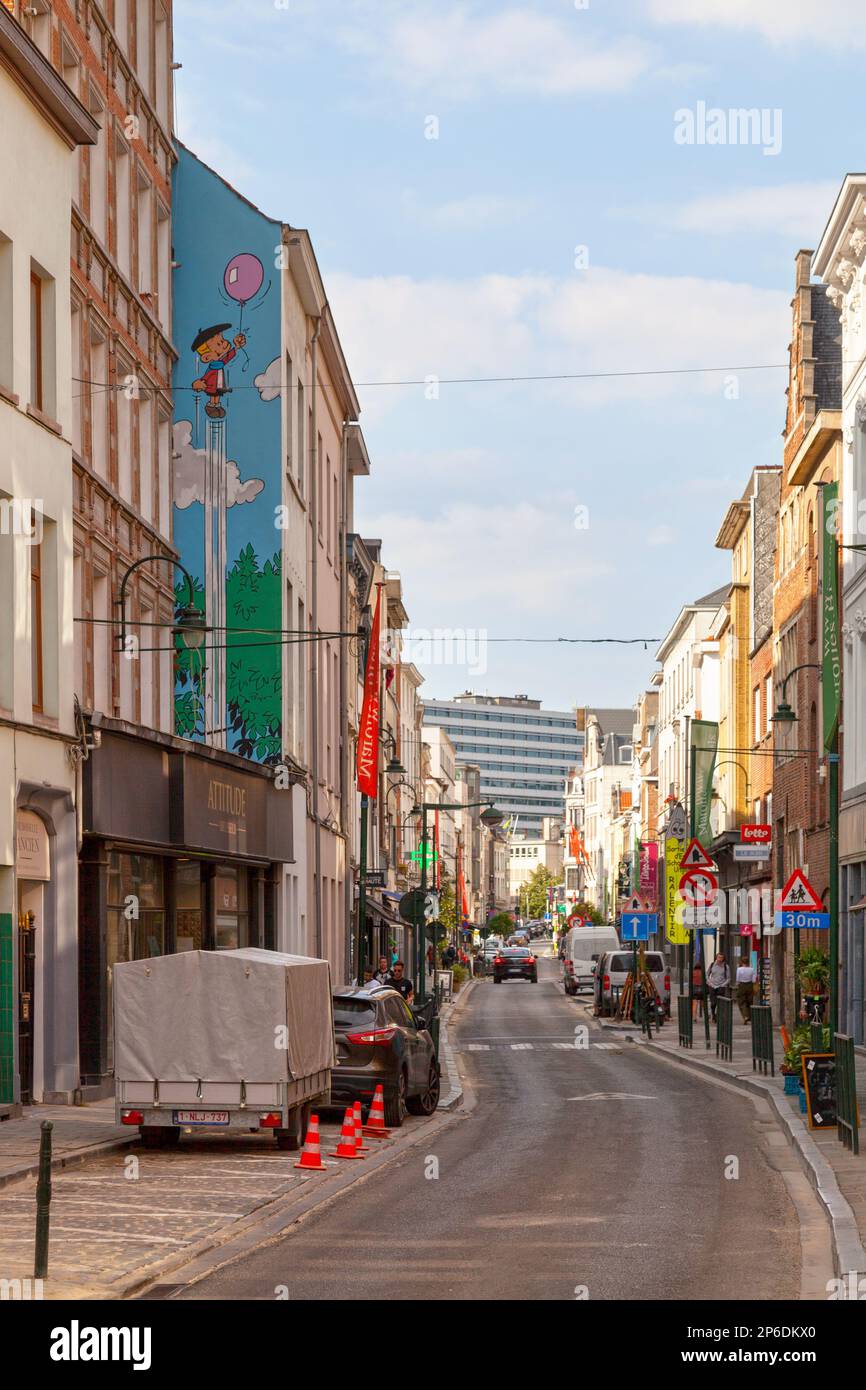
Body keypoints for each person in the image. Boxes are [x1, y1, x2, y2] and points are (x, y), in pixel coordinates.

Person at [706, 953, 730, 1020]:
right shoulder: (712, 965)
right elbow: (707, 974)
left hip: (721, 986)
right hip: (712, 986)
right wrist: (709, 982)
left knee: (720, 1002)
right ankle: (713, 1014)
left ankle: (718, 1016)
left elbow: (728, 978)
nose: (720, 959)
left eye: (721, 958)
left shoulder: (726, 966)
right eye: (719, 957)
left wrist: (723, 985)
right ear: (716, 957)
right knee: (713, 1002)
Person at [736, 956, 756, 1023]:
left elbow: (737, 979)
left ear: (742, 962)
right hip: (750, 985)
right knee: (749, 1001)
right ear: (748, 962)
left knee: (742, 1002)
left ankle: (745, 1016)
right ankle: (750, 1016)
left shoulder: (739, 969)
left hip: (742, 985)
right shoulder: (752, 969)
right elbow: (753, 980)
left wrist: (739, 984)